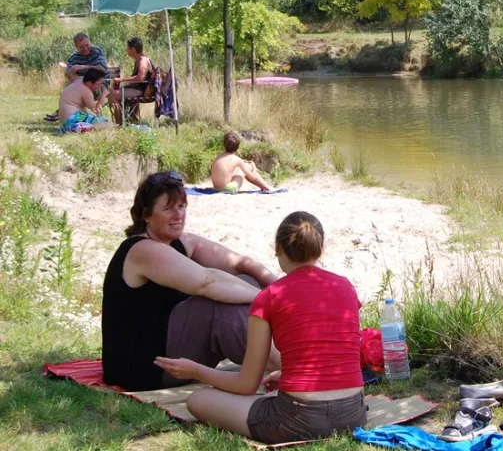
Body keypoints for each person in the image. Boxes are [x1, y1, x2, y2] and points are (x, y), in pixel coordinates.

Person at [156, 211, 366, 445]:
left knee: (198, 399)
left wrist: (195, 371)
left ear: (277, 248)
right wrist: (287, 375)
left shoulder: (270, 297)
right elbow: (334, 354)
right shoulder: (346, 287)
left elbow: (246, 385)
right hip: (354, 414)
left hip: (296, 420)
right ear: (320, 247)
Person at [101, 172, 281, 392]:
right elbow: (207, 283)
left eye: (182, 206)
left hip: (171, 348)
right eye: (168, 209)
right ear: (146, 215)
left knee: (248, 280)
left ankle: (295, 350)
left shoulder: (183, 242)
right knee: (218, 308)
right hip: (143, 368)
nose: (178, 215)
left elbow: (241, 263)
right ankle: (295, 366)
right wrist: (272, 299)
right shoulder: (142, 250)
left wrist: (284, 289)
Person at [45, 32, 108, 122]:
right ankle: (66, 112)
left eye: (87, 45)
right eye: (82, 47)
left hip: (96, 84)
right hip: (83, 84)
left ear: (90, 42)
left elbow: (102, 69)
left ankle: (62, 112)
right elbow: (68, 72)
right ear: (76, 47)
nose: (85, 48)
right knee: (75, 88)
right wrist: (72, 75)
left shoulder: (96, 52)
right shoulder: (74, 57)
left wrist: (83, 67)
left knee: (76, 90)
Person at [108, 36, 154, 124]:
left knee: (110, 93)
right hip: (138, 89)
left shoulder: (142, 61)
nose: (127, 50)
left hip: (142, 91)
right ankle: (130, 118)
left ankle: (120, 123)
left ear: (132, 48)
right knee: (114, 91)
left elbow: (140, 78)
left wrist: (122, 79)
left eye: (127, 48)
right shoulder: (139, 59)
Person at [57, 68, 110, 133]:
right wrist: (103, 95)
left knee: (102, 122)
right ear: (90, 83)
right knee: (106, 122)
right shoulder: (86, 91)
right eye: (98, 84)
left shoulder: (78, 81)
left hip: (64, 122)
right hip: (73, 121)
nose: (99, 86)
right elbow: (96, 111)